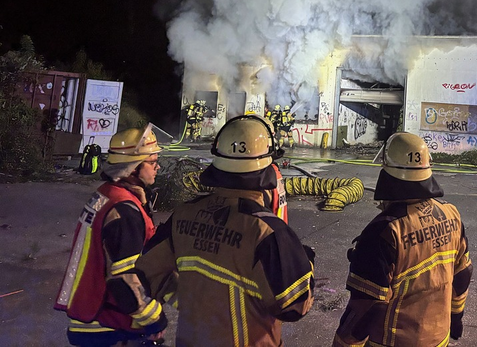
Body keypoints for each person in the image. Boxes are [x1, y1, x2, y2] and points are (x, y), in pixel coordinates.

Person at [136, 114, 315, 347]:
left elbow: (147, 272)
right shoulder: (268, 233)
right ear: (267, 171)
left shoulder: (182, 215)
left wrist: (191, 299)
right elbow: (294, 307)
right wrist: (306, 262)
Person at [333, 132, 473, 347]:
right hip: (438, 339)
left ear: (386, 173)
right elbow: (463, 272)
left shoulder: (385, 231)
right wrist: (456, 316)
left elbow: (365, 309)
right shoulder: (451, 213)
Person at [55, 124, 168, 346]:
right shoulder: (125, 210)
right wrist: (155, 321)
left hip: (93, 316)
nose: (158, 167)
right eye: (153, 161)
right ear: (134, 167)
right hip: (110, 323)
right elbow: (123, 280)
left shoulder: (107, 194)